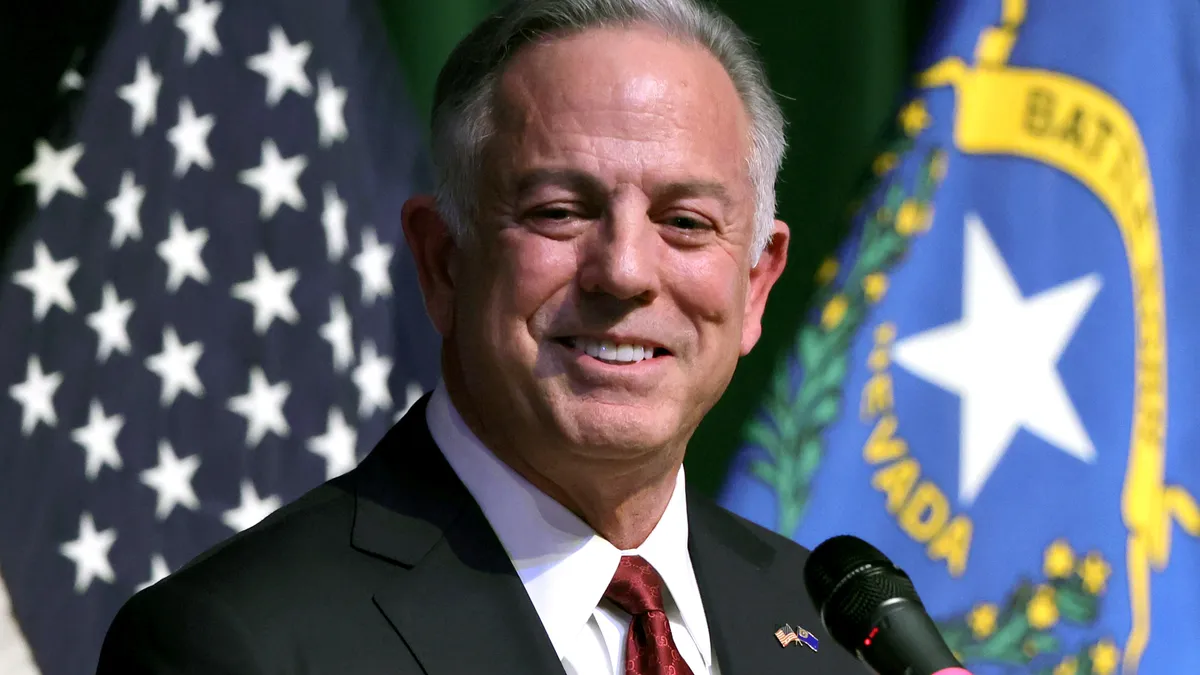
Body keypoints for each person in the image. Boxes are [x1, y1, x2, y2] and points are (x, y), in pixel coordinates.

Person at [96, 0, 866, 672]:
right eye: (559, 211)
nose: (625, 270)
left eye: (686, 223)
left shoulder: (840, 634)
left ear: (757, 283)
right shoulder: (237, 646)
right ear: (443, 262)